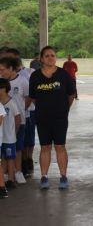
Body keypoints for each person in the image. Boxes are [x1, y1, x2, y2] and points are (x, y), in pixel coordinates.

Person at [28, 46, 75, 190]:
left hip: (60, 117)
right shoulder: (35, 76)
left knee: (60, 146)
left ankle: (63, 176)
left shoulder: (64, 75)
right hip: (42, 117)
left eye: (53, 55)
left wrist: (63, 110)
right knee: (45, 147)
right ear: (41, 59)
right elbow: (34, 97)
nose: (50, 58)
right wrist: (45, 108)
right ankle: (44, 177)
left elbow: (71, 95)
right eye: (47, 56)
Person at [0, 55, 28, 184]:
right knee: (5, 150)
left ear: (11, 68)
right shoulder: (1, 81)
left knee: (17, 148)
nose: (1, 72)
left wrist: (21, 112)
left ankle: (18, 172)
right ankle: (7, 175)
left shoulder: (22, 81)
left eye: (2, 69)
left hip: (18, 121)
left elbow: (28, 98)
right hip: (4, 124)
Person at [0, 76, 21, 190]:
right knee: (2, 158)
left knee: (10, 158)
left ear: (5, 89)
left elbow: (18, 119)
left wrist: (14, 132)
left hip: (9, 138)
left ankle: (11, 179)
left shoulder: (11, 103)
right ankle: (2, 179)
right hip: (1, 138)